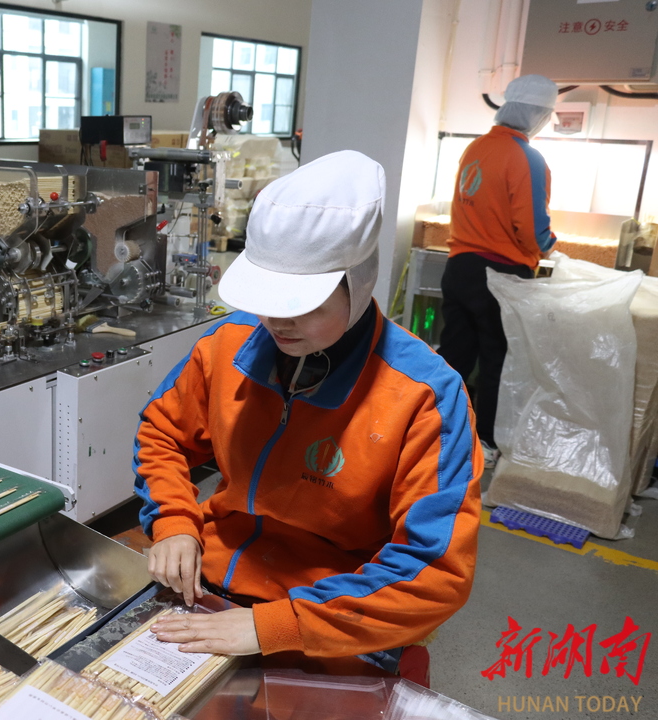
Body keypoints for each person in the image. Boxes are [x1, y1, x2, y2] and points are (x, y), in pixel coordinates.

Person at [132, 150, 482, 681]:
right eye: (267, 300)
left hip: (334, 608)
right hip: (212, 574)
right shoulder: (229, 345)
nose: (278, 322)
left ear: (359, 284)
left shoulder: (424, 396)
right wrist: (174, 521)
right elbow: (163, 432)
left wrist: (278, 625)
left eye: (304, 306)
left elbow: (434, 569)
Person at [440, 74, 559, 466]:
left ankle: (435, 432)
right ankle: (486, 443)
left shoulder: (476, 148)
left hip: (459, 267)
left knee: (454, 356)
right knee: (497, 361)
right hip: (501, 275)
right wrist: (550, 246)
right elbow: (533, 229)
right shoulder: (527, 158)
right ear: (539, 114)